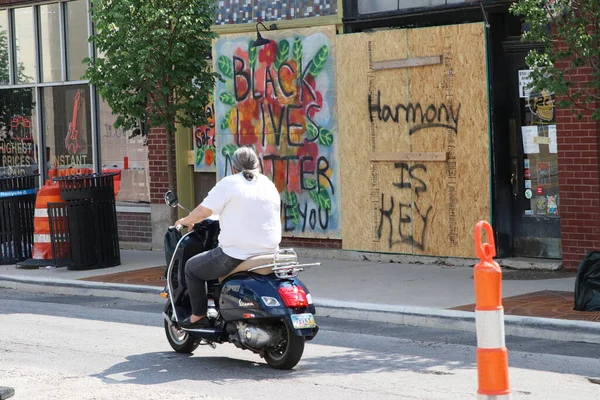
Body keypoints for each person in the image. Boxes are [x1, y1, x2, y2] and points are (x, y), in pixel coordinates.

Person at [175, 146, 282, 328]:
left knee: (192, 268)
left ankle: (198, 316)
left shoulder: (230, 183)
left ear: (233, 168)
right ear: (258, 166)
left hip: (237, 254)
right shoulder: (268, 184)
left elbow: (202, 211)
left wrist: (185, 220)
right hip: (270, 253)